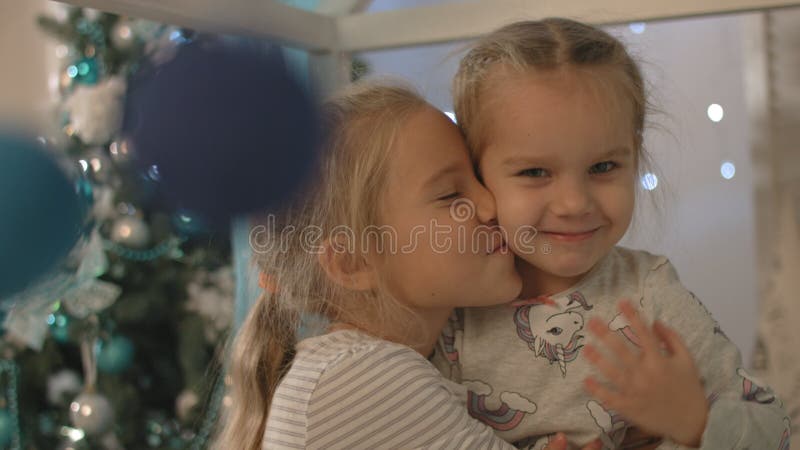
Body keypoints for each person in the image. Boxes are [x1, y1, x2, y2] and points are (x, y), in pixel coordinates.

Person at [432, 18, 789, 449]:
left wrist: (695, 422)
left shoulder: (649, 295)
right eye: (534, 172)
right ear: (477, 174)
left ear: (634, 158)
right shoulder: (453, 306)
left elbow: (776, 433)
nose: (574, 203)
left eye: (603, 167)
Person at [213, 81, 603, 450]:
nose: (489, 204)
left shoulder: (360, 367)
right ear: (353, 262)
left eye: (479, 179)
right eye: (452, 195)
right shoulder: (362, 377)